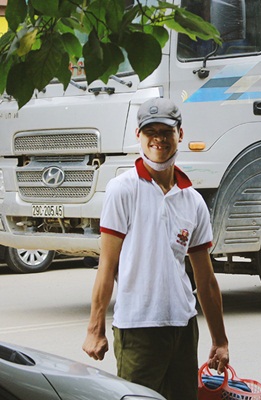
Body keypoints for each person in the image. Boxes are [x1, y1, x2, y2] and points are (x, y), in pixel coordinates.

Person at [82, 97, 229, 400]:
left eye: (166, 131)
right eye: (151, 132)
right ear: (139, 136)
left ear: (180, 135)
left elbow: (206, 280)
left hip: (183, 327)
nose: (159, 139)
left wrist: (220, 340)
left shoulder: (193, 201)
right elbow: (107, 267)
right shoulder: (123, 190)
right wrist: (94, 328)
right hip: (138, 328)